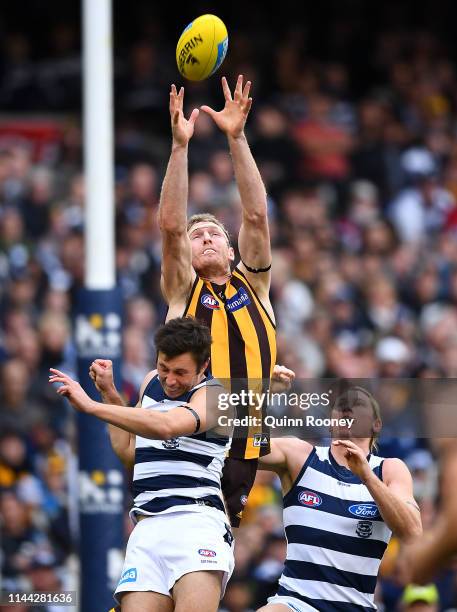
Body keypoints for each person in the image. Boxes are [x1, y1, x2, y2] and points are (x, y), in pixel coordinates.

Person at [49, 317, 234, 612]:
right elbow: (128, 450)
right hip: (147, 527)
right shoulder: (150, 382)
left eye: (181, 373)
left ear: (204, 366)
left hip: (195, 522)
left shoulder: (217, 396)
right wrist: (109, 394)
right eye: (164, 368)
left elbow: (167, 426)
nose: (170, 380)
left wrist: (93, 407)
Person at [158, 74, 278, 527]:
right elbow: (170, 226)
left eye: (214, 234)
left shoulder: (255, 285)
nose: (206, 236)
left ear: (232, 251)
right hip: (191, 437)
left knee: (219, 551)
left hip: (244, 447)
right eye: (198, 235)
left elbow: (256, 214)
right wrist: (179, 148)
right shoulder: (182, 290)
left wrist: (237, 137)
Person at [256, 386, 422, 611]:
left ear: (376, 424)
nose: (348, 406)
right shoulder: (300, 456)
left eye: (359, 404)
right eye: (341, 404)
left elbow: (413, 532)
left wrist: (367, 477)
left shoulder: (389, 469)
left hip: (356, 606)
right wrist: (262, 392)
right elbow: (238, 446)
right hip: (296, 602)